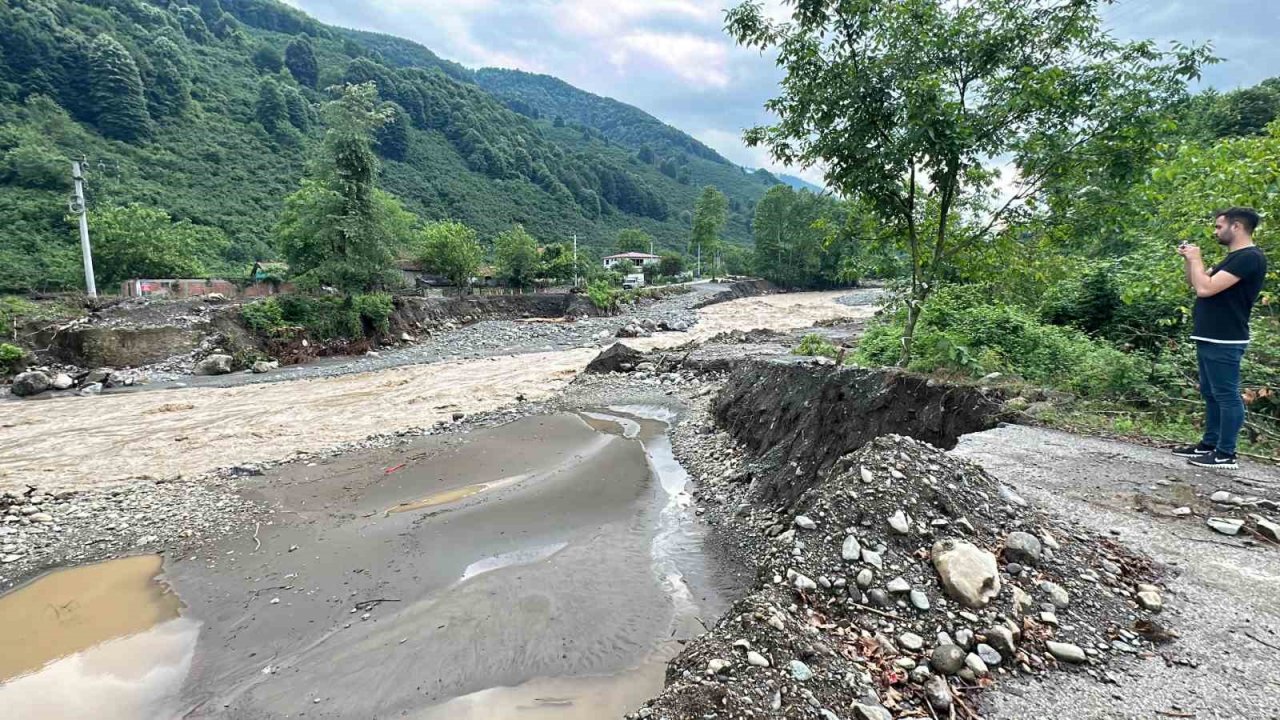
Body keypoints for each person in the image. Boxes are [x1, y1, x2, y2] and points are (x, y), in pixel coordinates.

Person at [1172, 207, 1267, 469]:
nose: (1215, 231)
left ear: (1236, 227)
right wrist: (1189, 260)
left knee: (1226, 395)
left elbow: (1205, 289)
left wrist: (1198, 258)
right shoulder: (1233, 258)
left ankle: (1226, 453)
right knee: (1210, 392)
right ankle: (1209, 444)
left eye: (1218, 227)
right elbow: (1195, 282)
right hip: (1209, 334)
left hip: (1226, 337)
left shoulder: (1249, 258)